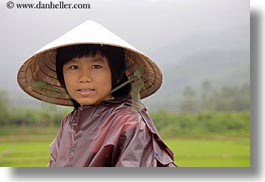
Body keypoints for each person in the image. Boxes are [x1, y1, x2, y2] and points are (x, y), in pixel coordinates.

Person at [17, 20, 176, 167]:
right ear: (61, 76)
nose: (84, 77)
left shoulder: (129, 123)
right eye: (73, 67)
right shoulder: (69, 123)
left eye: (95, 66)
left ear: (116, 72)